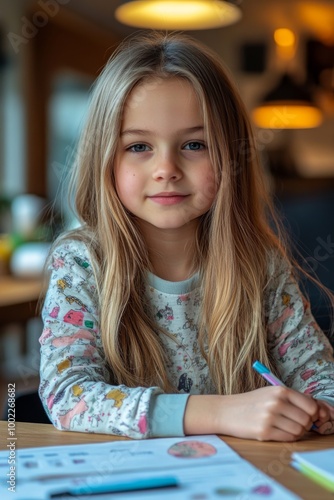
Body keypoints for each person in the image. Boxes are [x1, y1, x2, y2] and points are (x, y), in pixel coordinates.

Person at [39, 31, 334, 441]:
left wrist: (317, 411)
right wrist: (221, 414)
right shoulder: (82, 263)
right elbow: (68, 396)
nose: (166, 169)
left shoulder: (260, 264)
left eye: (194, 144)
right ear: (104, 158)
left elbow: (323, 380)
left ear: (231, 155)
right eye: (139, 146)